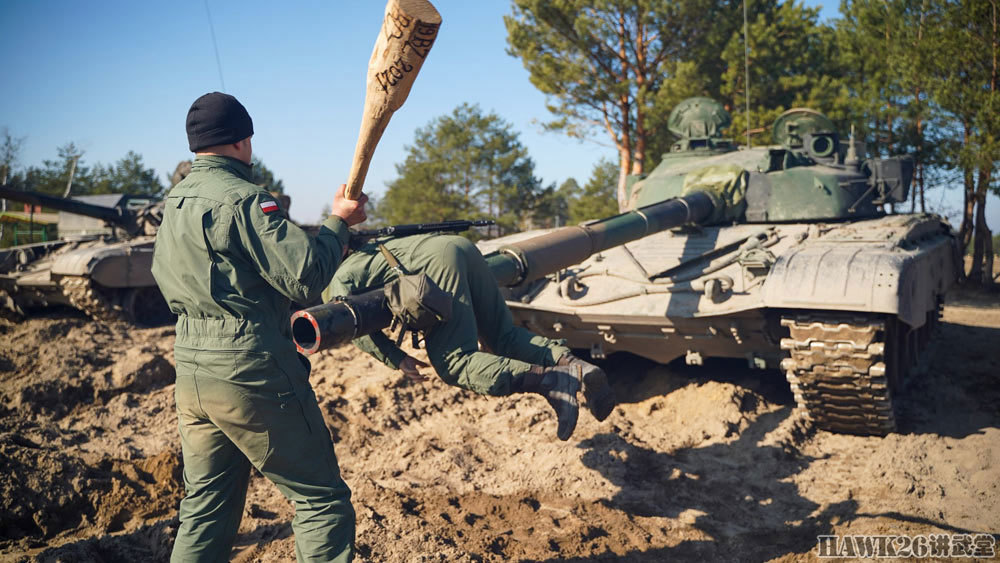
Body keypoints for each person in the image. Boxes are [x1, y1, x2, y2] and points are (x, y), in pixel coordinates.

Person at [152, 92, 367, 562]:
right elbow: (306, 276)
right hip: (248, 368)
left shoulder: (176, 200)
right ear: (242, 141)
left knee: (205, 510)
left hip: (191, 370)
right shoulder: (246, 199)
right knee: (321, 501)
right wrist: (339, 224)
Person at [323, 233, 616, 441]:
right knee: (503, 336)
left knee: (454, 362)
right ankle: (578, 366)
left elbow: (349, 324)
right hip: (460, 247)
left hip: (438, 264)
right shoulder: (374, 246)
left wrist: (397, 358)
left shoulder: (337, 277)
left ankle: (553, 382)